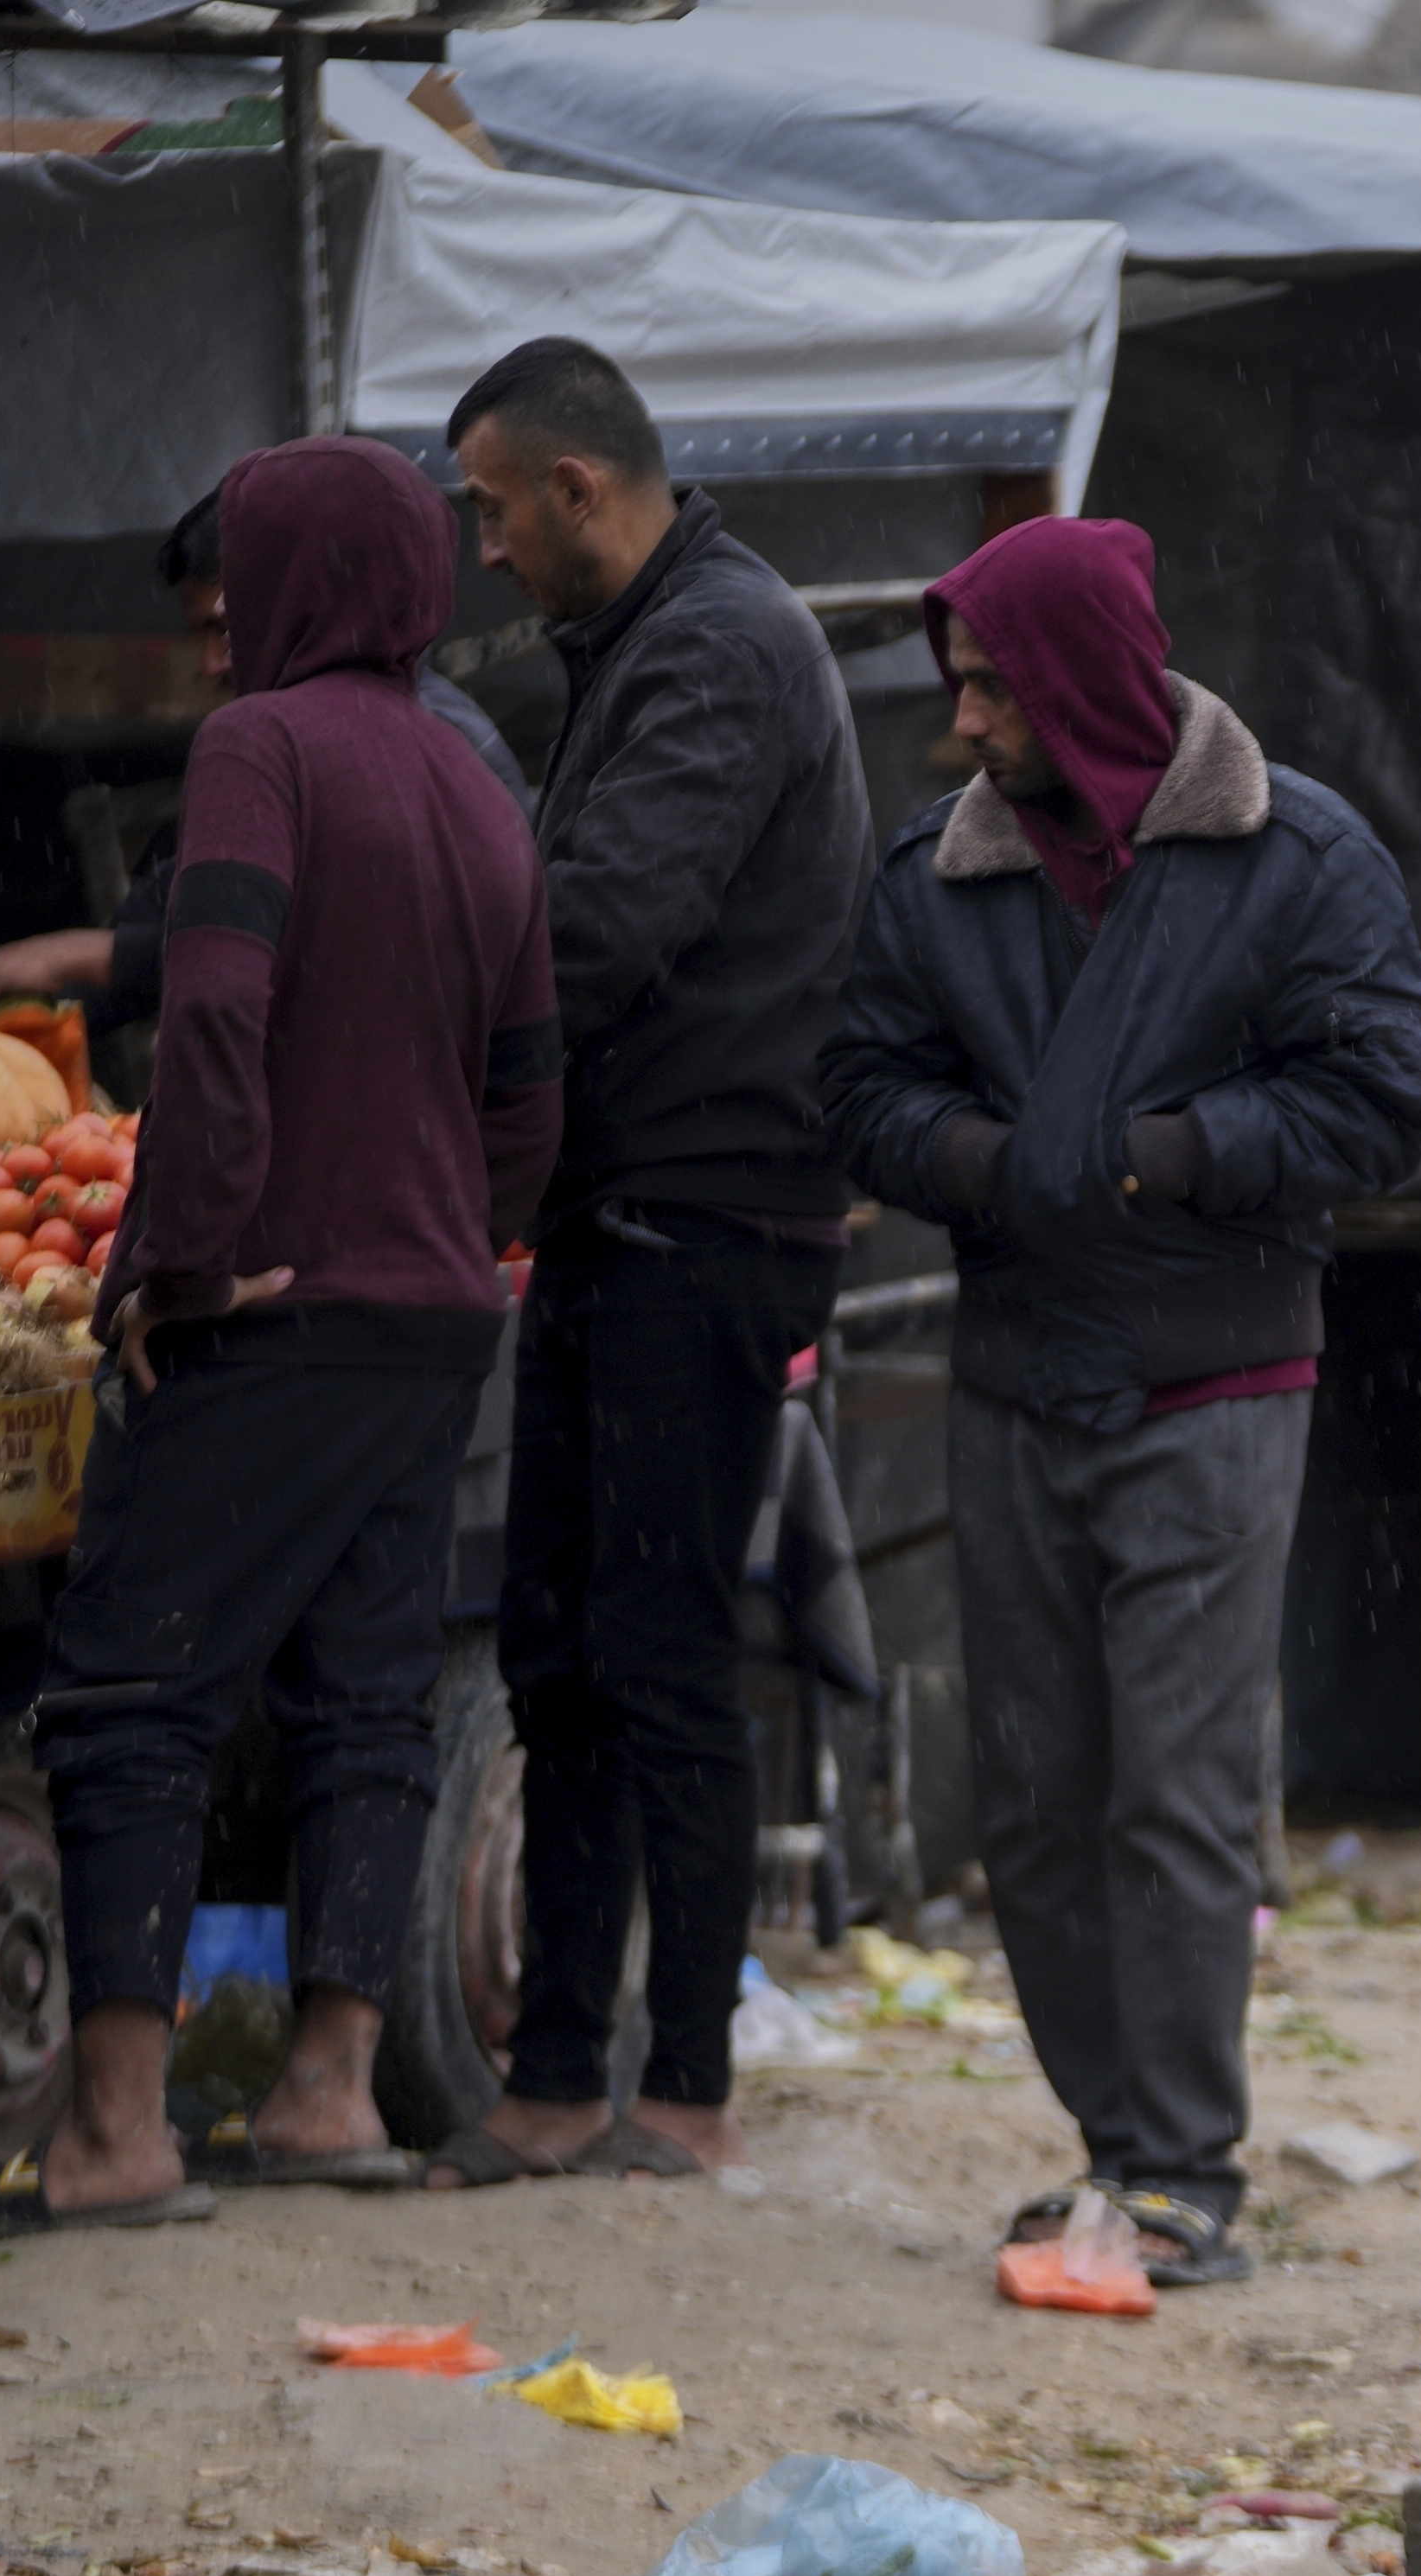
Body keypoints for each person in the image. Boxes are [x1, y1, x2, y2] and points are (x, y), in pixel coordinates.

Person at [819, 515, 1421, 2289]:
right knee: (1031, 1781)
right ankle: (1113, 2138)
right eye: (957, 689)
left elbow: (1386, 1098)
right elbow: (858, 1082)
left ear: (1080, 680)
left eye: (991, 688)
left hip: (1216, 1376)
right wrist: (988, 1160)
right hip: (1017, 1372)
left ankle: (1184, 2165)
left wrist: (1172, 1154)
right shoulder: (945, 869)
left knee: (1172, 1780)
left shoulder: (1297, 854)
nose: (962, 729)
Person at [0, 437, 557, 2235]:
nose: (220, 645)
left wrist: (183, 1258)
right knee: (369, 1694)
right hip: (435, 1315)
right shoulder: (472, 781)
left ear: (303, 586)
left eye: (249, 591)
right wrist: (468, 1225)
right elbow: (531, 1084)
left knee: (134, 1688)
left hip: (275, 1307)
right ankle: (326, 2091)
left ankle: (121, 2133)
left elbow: (211, 1015)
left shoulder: (264, 751)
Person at [433, 336, 867, 2189]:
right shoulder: (645, 641)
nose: (485, 552)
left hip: (713, 1217)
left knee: (659, 1654)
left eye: (491, 510)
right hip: (622, 1217)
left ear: (577, 489)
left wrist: (406, 1062)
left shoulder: (718, 646)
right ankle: (553, 2078)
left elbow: (595, 933)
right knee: (561, 1648)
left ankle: (679, 2085)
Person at [0, 483, 526, 1021]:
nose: (212, 667)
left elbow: (322, 945)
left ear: (299, 597)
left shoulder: (419, 741)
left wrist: (92, 956)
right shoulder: (287, 742)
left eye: (227, 630)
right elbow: (198, 893)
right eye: (202, 637)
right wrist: (36, 1012)